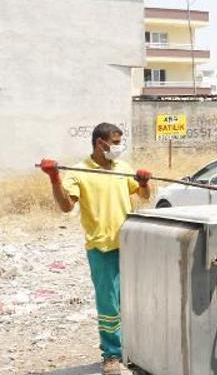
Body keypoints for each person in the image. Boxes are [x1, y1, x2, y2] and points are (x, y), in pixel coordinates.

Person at [39, 123, 151, 375]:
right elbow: (67, 207)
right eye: (115, 141)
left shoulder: (123, 169)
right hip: (102, 249)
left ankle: (134, 350)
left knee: (132, 301)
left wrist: (144, 183)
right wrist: (55, 179)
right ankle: (111, 355)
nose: (119, 147)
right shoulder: (78, 172)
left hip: (130, 247)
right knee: (109, 305)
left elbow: (144, 196)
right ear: (100, 143)